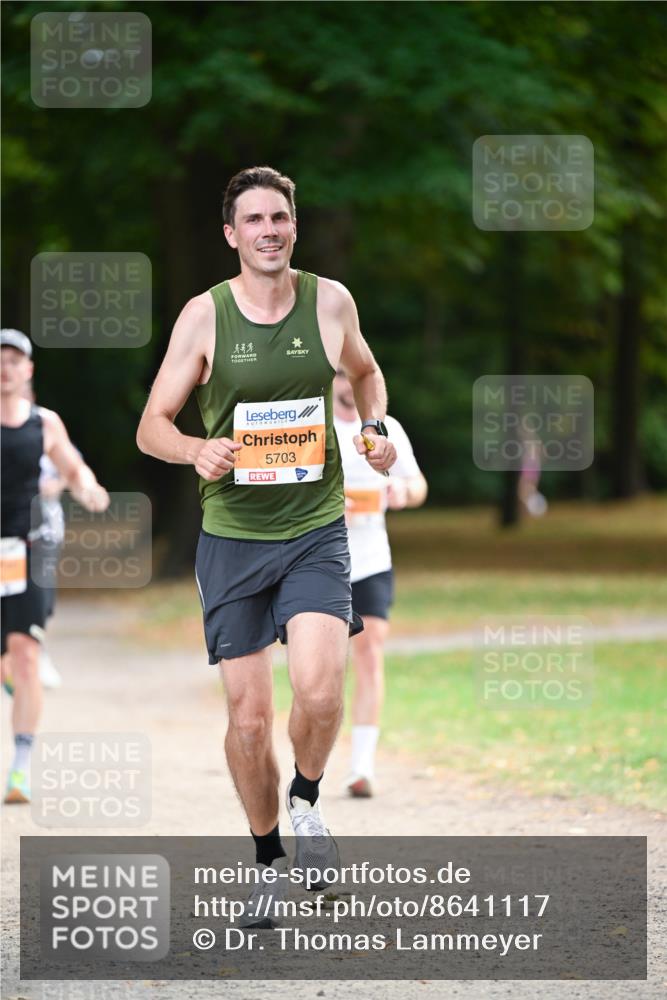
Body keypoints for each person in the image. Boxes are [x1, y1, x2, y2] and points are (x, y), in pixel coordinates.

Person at [136, 166, 396, 924]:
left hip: (315, 530)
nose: (269, 231)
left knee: (319, 690)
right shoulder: (204, 317)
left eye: (279, 217)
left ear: (293, 225)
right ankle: (266, 859)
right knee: (247, 720)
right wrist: (195, 452)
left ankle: (307, 801)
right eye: (253, 220)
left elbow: (368, 373)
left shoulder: (330, 301)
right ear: (232, 234)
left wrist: (373, 428)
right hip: (232, 540)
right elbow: (153, 426)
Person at [1, 329, 109, 803]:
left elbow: (72, 467)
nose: (5, 367)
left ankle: (20, 767)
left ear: (28, 370)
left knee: (25, 652)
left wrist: (87, 486)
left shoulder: (45, 423)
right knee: (10, 660)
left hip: (30, 548)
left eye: (14, 360)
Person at [333, 370, 427, 798]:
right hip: (320, 562)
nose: (347, 384)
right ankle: (311, 765)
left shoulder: (389, 429)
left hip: (372, 558)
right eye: (338, 374)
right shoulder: (314, 426)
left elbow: (417, 482)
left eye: (355, 376)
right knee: (321, 669)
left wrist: (404, 492)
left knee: (370, 654)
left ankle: (362, 766)